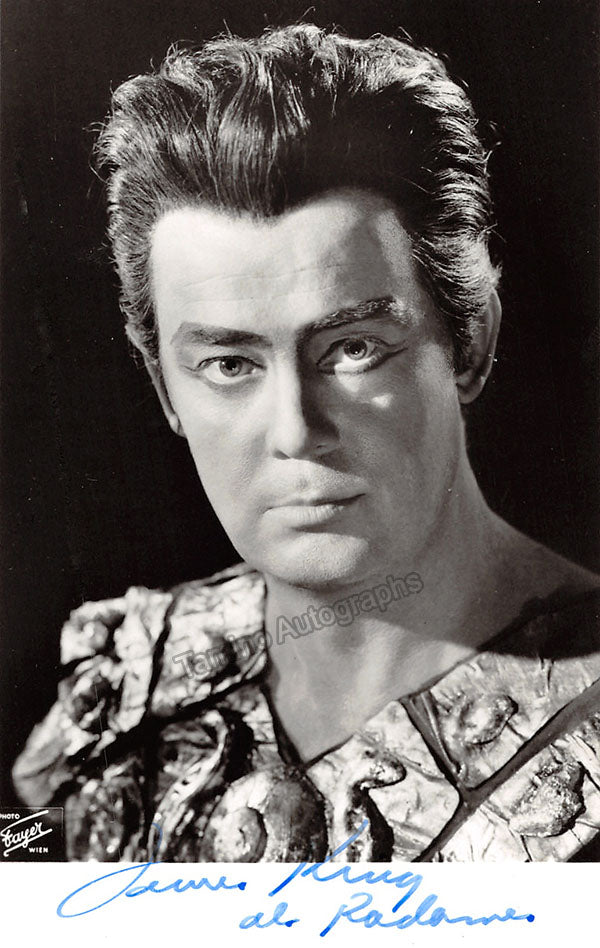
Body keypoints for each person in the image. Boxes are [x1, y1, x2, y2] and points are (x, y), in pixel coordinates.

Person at [12, 23, 600, 862]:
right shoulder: (122, 685)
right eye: (229, 364)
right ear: (165, 389)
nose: (295, 430)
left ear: (469, 342)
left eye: (352, 348)